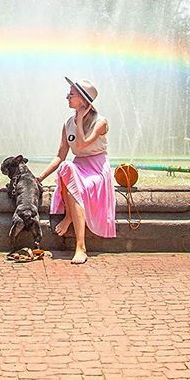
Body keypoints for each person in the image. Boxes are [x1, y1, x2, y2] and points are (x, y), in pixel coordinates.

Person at [37, 77, 116, 264]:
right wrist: (39, 177)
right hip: (78, 167)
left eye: (71, 94)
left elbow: (82, 144)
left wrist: (80, 119)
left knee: (73, 179)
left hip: (96, 170)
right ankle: (70, 217)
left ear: (83, 100)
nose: (67, 97)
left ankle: (81, 246)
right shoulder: (67, 124)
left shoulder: (100, 122)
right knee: (66, 167)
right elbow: (60, 155)